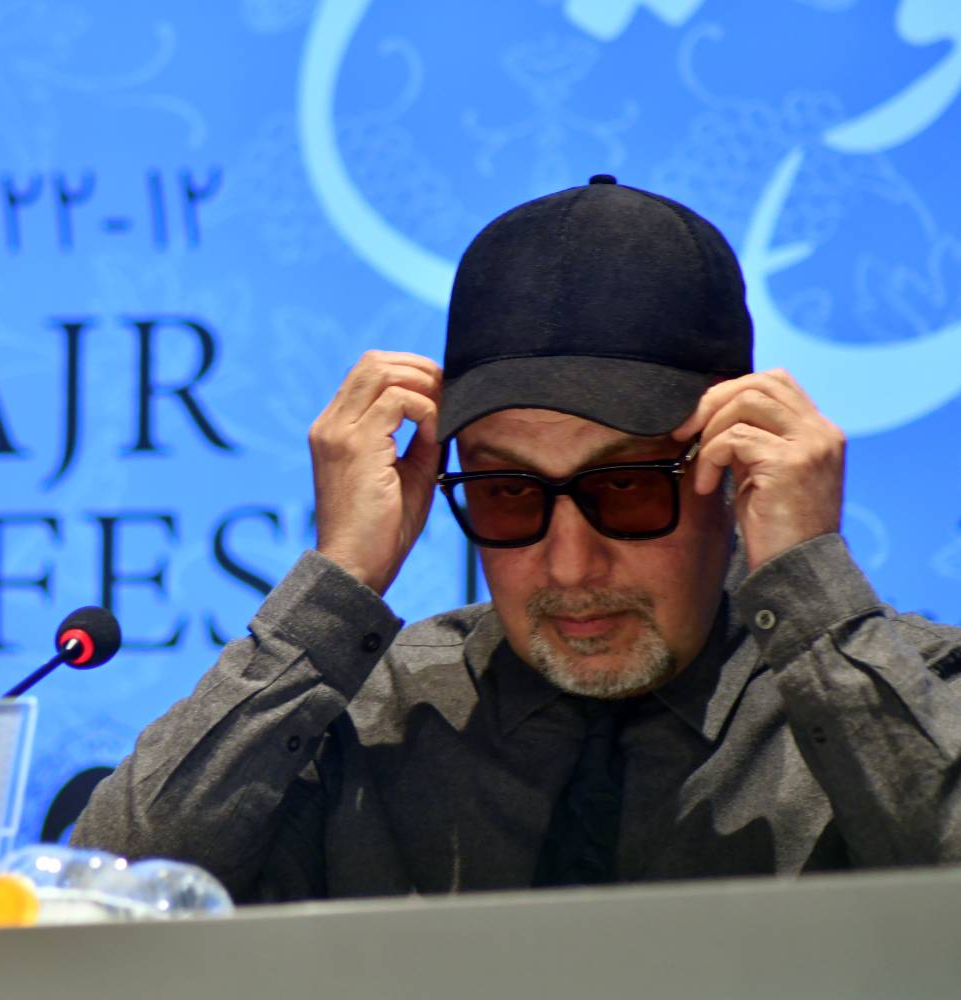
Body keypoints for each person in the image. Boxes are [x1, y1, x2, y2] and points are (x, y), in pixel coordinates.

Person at [70, 174, 961, 900]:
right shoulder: (363, 724)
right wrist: (337, 583)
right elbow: (98, 918)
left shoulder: (906, 690)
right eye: (507, 493)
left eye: (624, 488)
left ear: (733, 470)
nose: (569, 565)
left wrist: (812, 590)